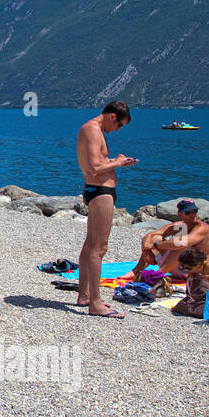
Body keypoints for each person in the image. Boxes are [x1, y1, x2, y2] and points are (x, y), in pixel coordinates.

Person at [76, 101, 137, 318]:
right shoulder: (92, 129)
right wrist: (118, 163)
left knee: (90, 243)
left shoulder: (93, 130)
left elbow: (98, 162)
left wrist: (114, 161)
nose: (117, 130)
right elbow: (94, 168)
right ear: (112, 116)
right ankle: (96, 303)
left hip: (97, 189)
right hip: (100, 191)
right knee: (99, 248)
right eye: (119, 124)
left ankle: (84, 295)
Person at [131, 199, 209, 280]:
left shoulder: (203, 228)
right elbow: (151, 235)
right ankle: (135, 272)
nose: (193, 215)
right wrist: (146, 250)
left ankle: (157, 276)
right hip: (181, 267)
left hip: (198, 271)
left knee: (181, 245)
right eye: (188, 212)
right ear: (179, 214)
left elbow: (182, 243)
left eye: (195, 211)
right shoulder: (180, 226)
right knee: (156, 237)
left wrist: (156, 245)